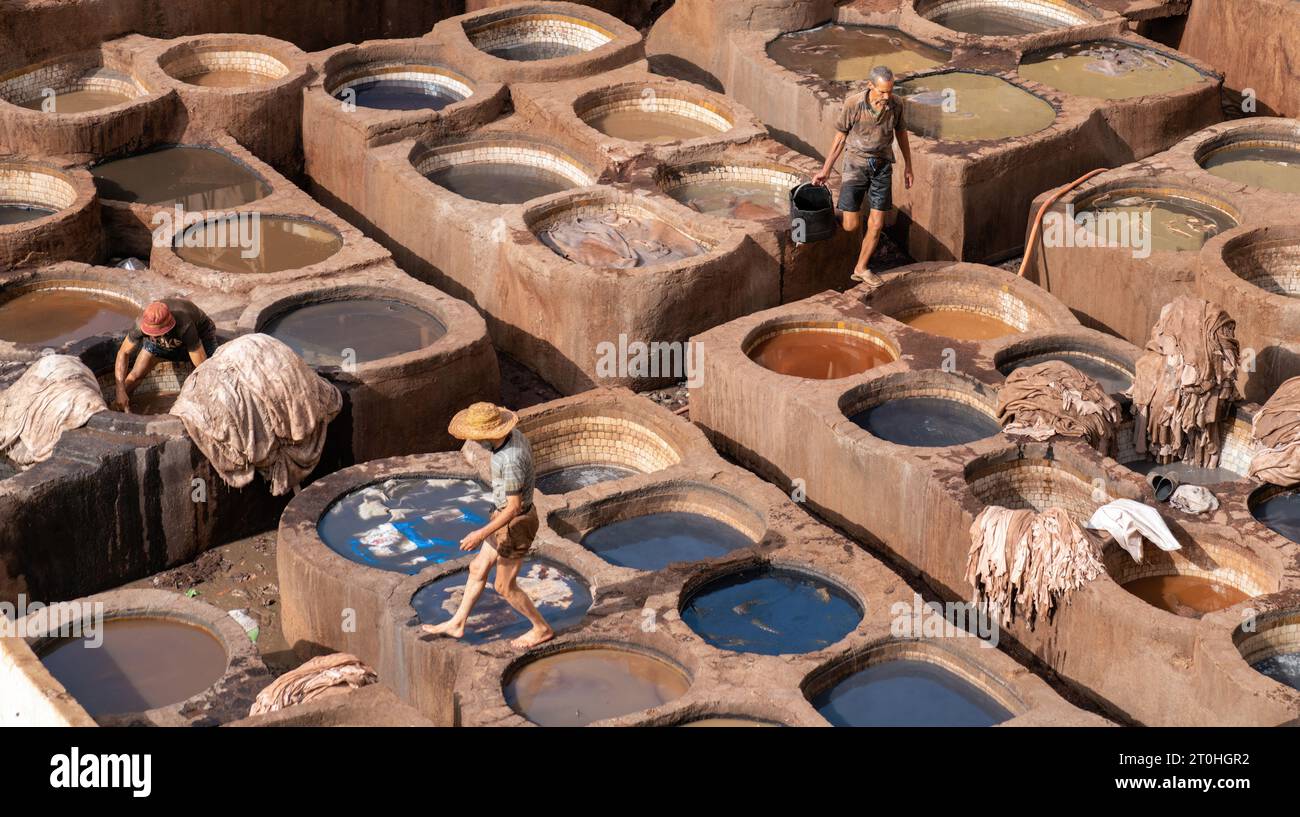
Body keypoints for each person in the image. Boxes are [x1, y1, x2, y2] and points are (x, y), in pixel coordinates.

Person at [421, 402, 554, 649]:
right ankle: (457, 623)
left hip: (516, 524)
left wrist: (480, 533)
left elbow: (514, 506)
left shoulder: (510, 459)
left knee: (503, 586)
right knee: (478, 567)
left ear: (490, 434)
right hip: (503, 516)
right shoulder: (514, 437)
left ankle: (541, 628)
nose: (474, 439)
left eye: (477, 435)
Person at [812, 64, 914, 288]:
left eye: (890, 90)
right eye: (882, 91)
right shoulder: (854, 104)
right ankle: (831, 214)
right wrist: (826, 170)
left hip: (882, 165)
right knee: (851, 225)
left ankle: (861, 268)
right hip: (855, 164)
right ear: (870, 86)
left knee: (877, 223)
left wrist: (908, 165)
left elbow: (902, 134)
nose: (887, 96)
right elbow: (840, 138)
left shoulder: (896, 104)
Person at [114, 298, 217, 413]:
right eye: (152, 334)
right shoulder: (140, 324)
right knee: (135, 376)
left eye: (158, 334)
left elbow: (201, 368)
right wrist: (120, 391)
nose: (156, 337)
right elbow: (123, 353)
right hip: (164, 341)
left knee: (213, 377)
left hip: (200, 335)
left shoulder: (184, 325)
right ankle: (117, 408)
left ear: (168, 326)